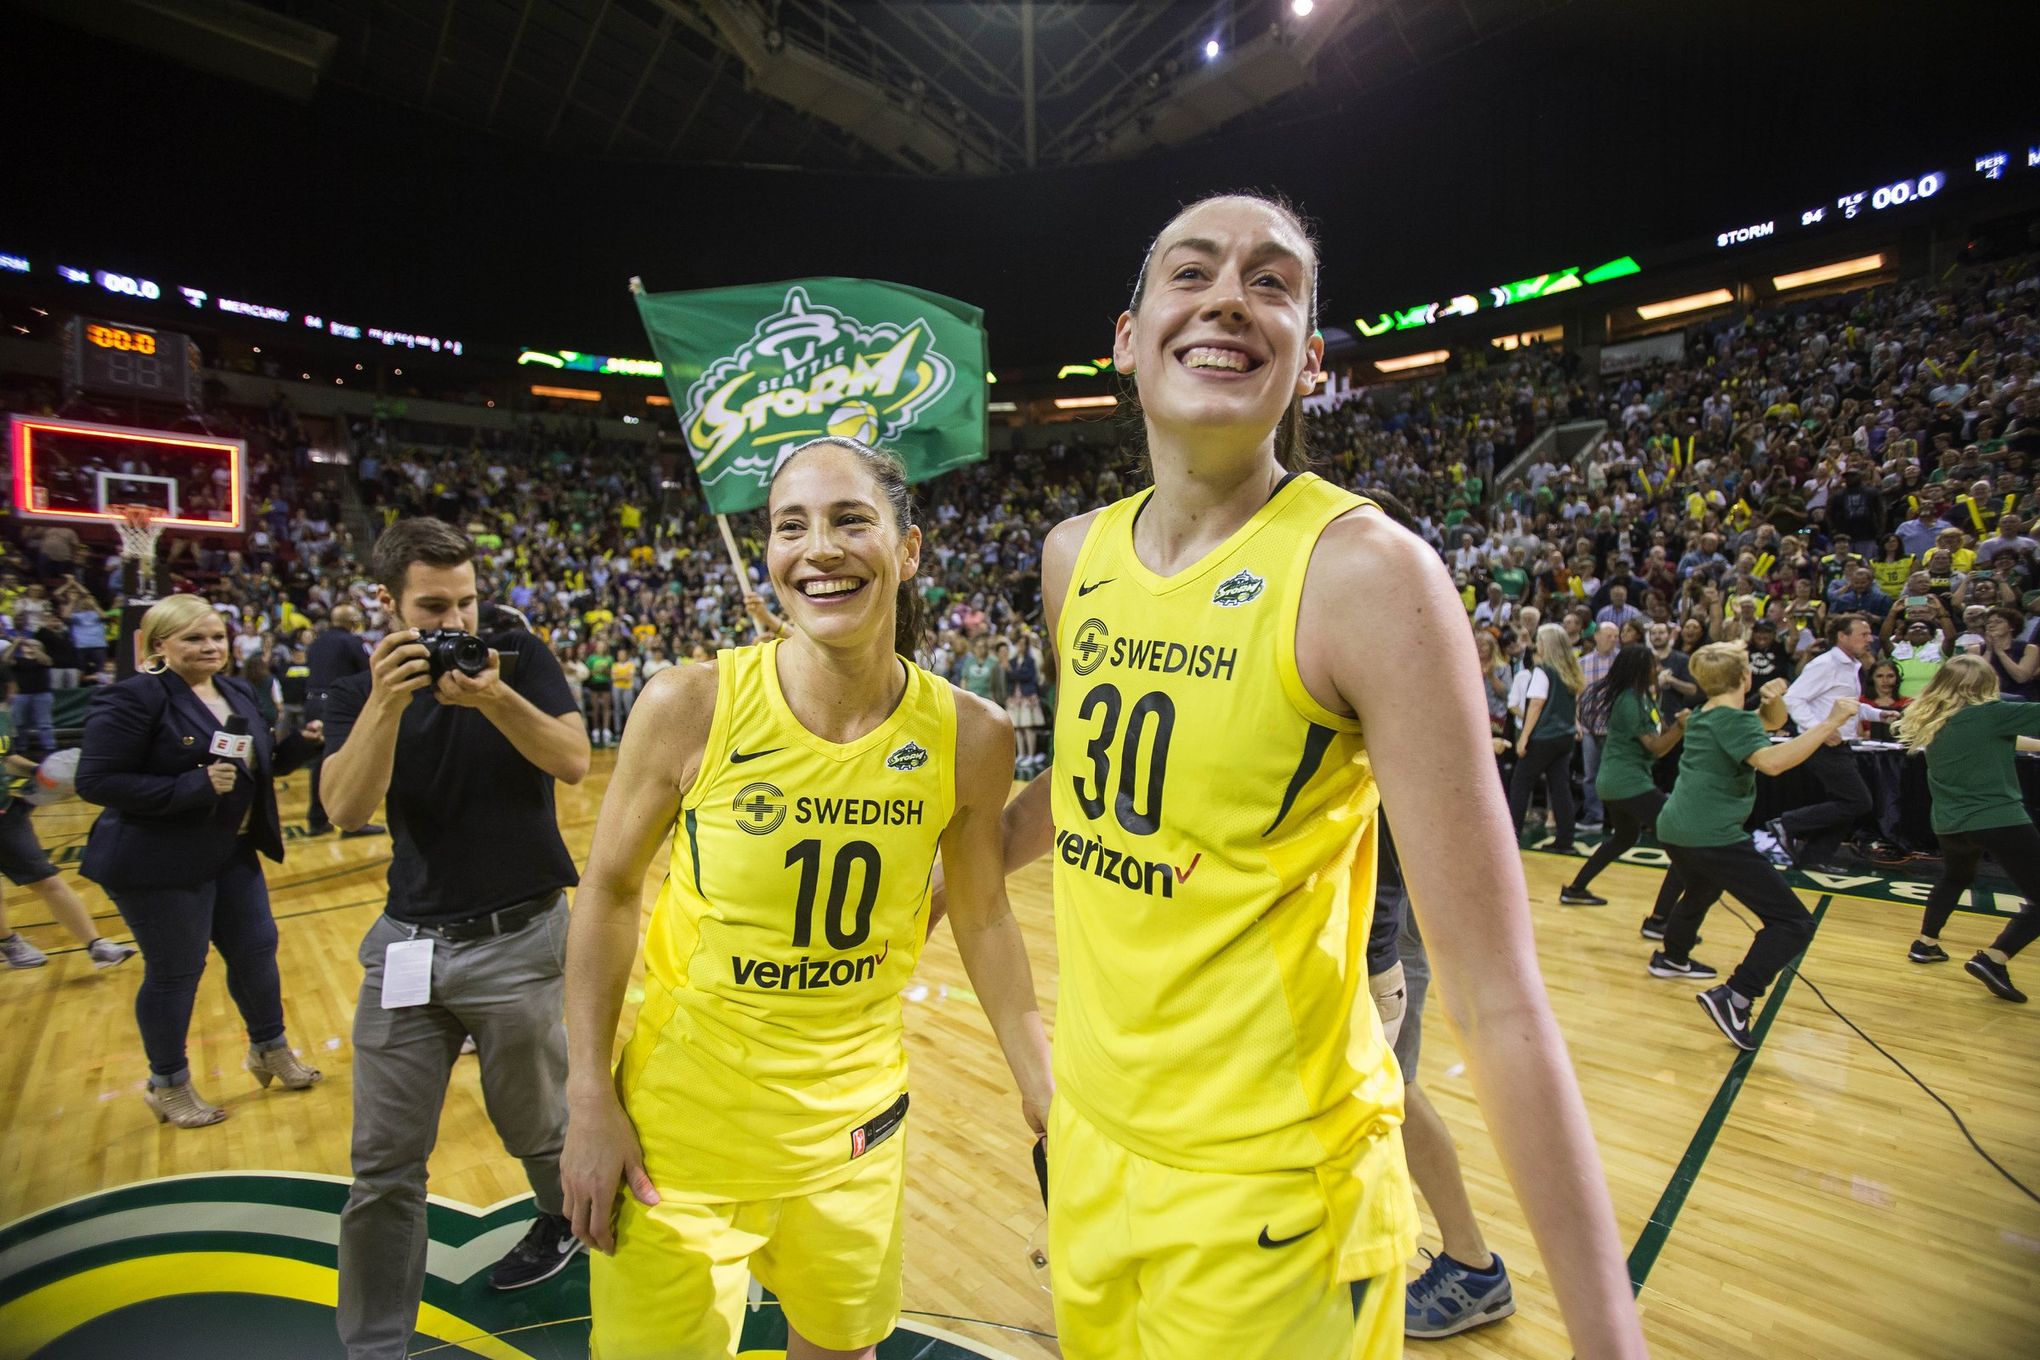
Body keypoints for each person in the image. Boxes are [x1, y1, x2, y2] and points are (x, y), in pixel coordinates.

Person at [989, 195, 1643, 1356]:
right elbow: (1092, 778)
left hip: (1277, 1193)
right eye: (1192, 272)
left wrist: (1609, 1338)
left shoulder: (1372, 576)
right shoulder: (1072, 556)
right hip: (1090, 1153)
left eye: (1272, 282)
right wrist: (950, 849)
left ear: (1309, 362)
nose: (1230, 296)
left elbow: (1501, 1000)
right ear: (1130, 338)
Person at [560, 437, 1054, 1359]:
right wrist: (589, 1093)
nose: (818, 547)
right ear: (771, 557)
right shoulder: (690, 704)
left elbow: (983, 915)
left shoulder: (970, 736)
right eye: (793, 526)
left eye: (850, 520)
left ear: (908, 553)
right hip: (678, 1143)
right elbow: (610, 892)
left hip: (852, 1138)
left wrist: (1042, 1089)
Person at [321, 517, 593, 1360]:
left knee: (539, 1128)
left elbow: (574, 760)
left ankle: (569, 1225)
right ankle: (374, 1346)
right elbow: (344, 810)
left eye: (467, 601)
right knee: (382, 1163)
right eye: (434, 607)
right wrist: (385, 703)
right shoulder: (359, 677)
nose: (456, 624)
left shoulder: (516, 650)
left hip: (520, 937)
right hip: (408, 945)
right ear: (389, 605)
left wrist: (496, 695)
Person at [73, 594, 326, 1126]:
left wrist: (300, 747)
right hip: (156, 862)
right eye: (194, 638)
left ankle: (269, 1048)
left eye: (217, 636)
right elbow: (95, 781)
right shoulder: (134, 698)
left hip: (231, 852)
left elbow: (259, 763)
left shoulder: (236, 689)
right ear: (158, 646)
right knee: (175, 973)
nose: (211, 647)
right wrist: (191, 786)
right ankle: (167, 1082)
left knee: (258, 952)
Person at [1653, 643, 1859, 1048]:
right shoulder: (1733, 720)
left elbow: (1769, 722)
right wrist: (1827, 722)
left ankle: (1673, 957)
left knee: (1701, 889)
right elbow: (1773, 762)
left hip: (1676, 826)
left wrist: (1775, 700)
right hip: (1711, 833)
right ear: (1746, 678)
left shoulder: (1704, 715)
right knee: (1793, 923)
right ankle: (1736, 996)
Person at [1894, 655, 2040, 1001]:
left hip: (1951, 823)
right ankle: (1995, 958)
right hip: (1997, 818)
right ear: (1985, 684)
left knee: (1956, 877)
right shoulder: (1992, 715)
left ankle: (1926, 943)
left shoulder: (1934, 719)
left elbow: (1997, 740)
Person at [1559, 645, 1690, 929]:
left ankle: (1575, 889)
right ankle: (1659, 920)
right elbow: (1656, 748)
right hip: (1627, 783)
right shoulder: (1629, 701)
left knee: (1624, 838)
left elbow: (1660, 734)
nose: (1657, 669)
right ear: (1639, 670)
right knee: (1683, 842)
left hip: (1621, 781)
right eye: (1652, 665)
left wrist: (1678, 724)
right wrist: (1681, 729)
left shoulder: (1643, 697)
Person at [0, 717, 136, 970]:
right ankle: (7, 942)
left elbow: (6, 758)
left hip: (7, 814)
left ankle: (96, 945)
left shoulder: (1, 718)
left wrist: (42, 773)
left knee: (46, 878)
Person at [1770, 615, 1890, 870]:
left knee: (1848, 803)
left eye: (1870, 634)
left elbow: (1849, 706)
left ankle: (1815, 858)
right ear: (1842, 637)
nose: (1869, 640)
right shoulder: (1824, 664)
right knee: (1858, 801)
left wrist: (1879, 715)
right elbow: (1792, 699)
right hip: (1823, 745)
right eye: (1863, 634)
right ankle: (1786, 823)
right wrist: (1819, 729)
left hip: (1841, 744)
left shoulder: (1851, 666)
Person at [1508, 624, 1587, 853]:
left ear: (1546, 644)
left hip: (1544, 736)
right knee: (1560, 787)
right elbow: (1571, 703)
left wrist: (1524, 737)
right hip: (1565, 737)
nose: (1536, 644)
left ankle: (1511, 842)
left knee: (1520, 783)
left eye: (1539, 640)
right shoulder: (1570, 670)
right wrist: (1575, 723)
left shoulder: (1543, 670)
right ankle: (1565, 840)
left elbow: (1536, 704)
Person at [304, 604, 375, 836]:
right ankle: (352, 823)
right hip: (339, 705)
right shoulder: (352, 642)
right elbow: (369, 673)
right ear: (351, 622)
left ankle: (317, 819)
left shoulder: (316, 642)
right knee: (349, 760)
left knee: (319, 763)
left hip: (313, 701)